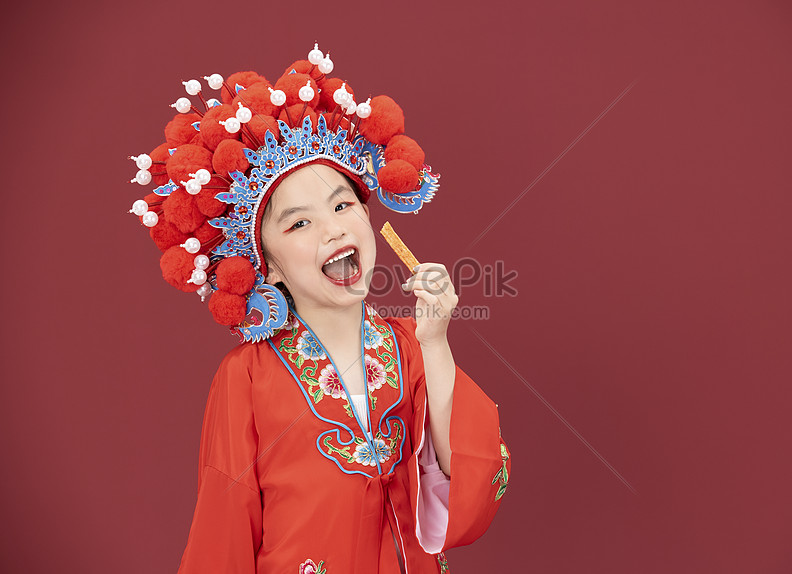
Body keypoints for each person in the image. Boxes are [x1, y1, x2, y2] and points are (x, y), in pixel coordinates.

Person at [127, 44, 510, 574]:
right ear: (270, 266)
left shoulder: (410, 344)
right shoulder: (246, 378)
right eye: (299, 223)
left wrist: (436, 342)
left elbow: (463, 470)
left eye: (341, 204)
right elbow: (224, 528)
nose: (333, 228)